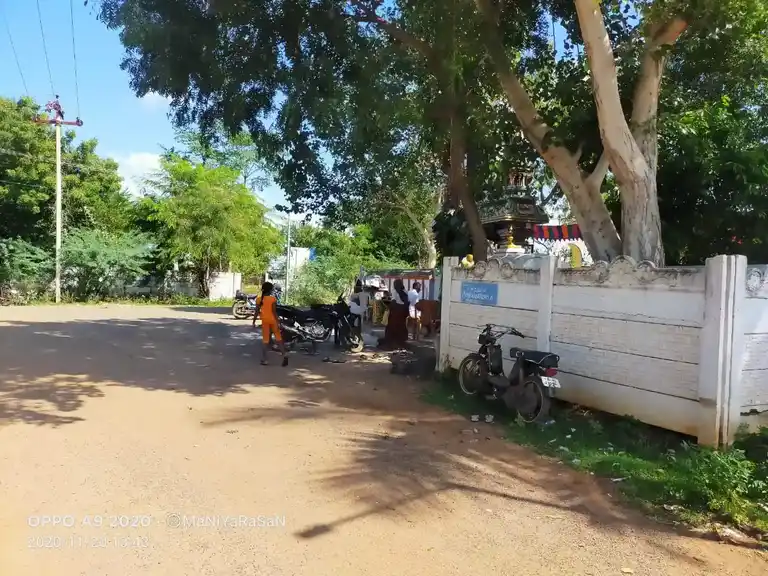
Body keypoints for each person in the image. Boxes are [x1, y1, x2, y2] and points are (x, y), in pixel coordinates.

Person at [252, 282, 288, 367]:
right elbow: (274, 312)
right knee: (278, 338)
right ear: (271, 290)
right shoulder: (273, 299)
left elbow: (256, 312)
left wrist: (253, 321)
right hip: (273, 321)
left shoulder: (259, 299)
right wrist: (278, 321)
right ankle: (284, 354)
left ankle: (265, 360)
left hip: (265, 322)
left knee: (265, 341)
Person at [378, 279, 409, 349]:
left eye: (394, 285)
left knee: (390, 326)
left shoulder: (396, 292)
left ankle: (390, 343)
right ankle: (400, 342)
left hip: (397, 313)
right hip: (403, 313)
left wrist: (388, 306)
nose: (394, 286)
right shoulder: (405, 292)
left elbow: (394, 303)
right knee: (401, 326)